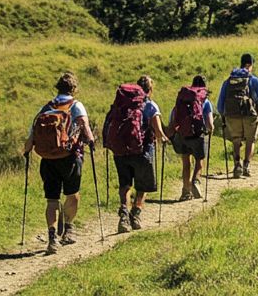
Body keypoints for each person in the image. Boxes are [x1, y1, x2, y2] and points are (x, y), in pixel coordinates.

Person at [23, 71, 97, 254]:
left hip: (47, 160)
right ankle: (68, 229)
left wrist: (26, 152)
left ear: (57, 88)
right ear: (74, 89)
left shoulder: (45, 108)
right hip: (69, 158)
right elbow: (85, 128)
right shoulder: (76, 105)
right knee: (73, 195)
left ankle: (51, 237)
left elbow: (31, 137)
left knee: (52, 200)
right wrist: (91, 141)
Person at [104, 76, 164, 233]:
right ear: (150, 90)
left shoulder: (121, 105)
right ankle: (136, 214)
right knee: (142, 185)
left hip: (120, 151)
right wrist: (163, 139)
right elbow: (158, 132)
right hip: (142, 151)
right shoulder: (150, 105)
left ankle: (124, 214)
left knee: (125, 184)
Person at [217, 53, 258, 178]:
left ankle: (237, 165)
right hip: (249, 115)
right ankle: (246, 165)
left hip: (231, 115)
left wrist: (224, 114)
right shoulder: (255, 80)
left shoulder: (228, 81)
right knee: (250, 140)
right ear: (249, 65)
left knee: (236, 140)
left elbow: (220, 104)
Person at [165, 75, 214, 201]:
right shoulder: (205, 101)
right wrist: (210, 131)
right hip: (197, 136)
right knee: (199, 161)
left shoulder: (182, 99)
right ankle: (195, 181)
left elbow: (173, 118)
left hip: (182, 135)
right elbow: (209, 124)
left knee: (186, 163)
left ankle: (185, 191)